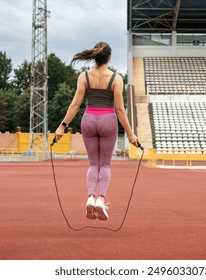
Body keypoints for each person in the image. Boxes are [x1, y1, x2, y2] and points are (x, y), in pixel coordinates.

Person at [54, 42, 139, 221]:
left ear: (94, 56)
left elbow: (75, 105)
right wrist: (130, 134)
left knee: (93, 164)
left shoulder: (84, 76)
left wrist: (62, 126)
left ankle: (90, 197)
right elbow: (120, 110)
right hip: (108, 120)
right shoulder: (116, 78)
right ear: (109, 57)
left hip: (89, 120)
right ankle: (101, 200)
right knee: (105, 165)